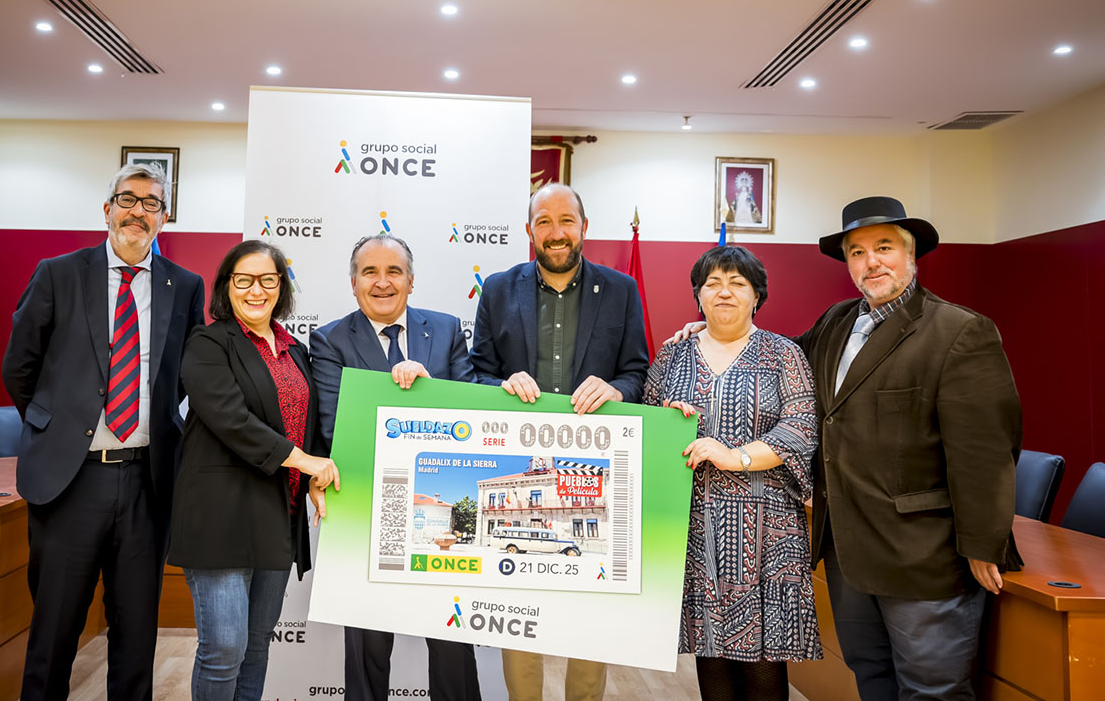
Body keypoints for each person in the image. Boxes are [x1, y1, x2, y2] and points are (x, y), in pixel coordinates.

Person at [798, 196, 1022, 700]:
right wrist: (716, 336)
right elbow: (780, 364)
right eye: (857, 252)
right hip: (847, 550)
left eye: (883, 247)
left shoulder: (959, 331)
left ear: (911, 254)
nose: (870, 261)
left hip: (923, 555)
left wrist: (986, 541)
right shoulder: (835, 322)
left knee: (932, 689)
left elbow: (986, 450)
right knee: (871, 677)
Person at [1, 164, 205, 701]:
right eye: (128, 199)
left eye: (151, 203)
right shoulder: (58, 273)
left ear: (164, 218)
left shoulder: (184, 287)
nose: (138, 211)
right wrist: (56, 430)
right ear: (107, 208)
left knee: (136, 638)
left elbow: (188, 375)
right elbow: (19, 367)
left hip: (146, 484)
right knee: (54, 636)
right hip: (70, 482)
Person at [469, 182, 649, 701]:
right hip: (515, 469)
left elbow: (638, 372)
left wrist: (615, 388)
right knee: (518, 608)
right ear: (528, 231)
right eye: (543, 221)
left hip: (594, 475)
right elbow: (478, 372)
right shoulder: (499, 289)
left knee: (589, 606)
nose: (555, 232)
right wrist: (500, 386)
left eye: (566, 220)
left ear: (584, 227)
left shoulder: (620, 290)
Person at [643, 245, 821, 701]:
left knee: (763, 661)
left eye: (737, 283)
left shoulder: (784, 354)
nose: (724, 292)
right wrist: (668, 418)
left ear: (757, 296)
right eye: (713, 284)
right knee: (711, 651)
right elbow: (644, 431)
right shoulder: (672, 356)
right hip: (696, 527)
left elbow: (801, 429)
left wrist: (734, 456)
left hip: (768, 532)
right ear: (698, 296)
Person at [310, 232, 481, 701]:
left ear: (411, 281)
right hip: (365, 509)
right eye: (370, 272)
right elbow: (335, 425)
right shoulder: (327, 340)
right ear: (352, 283)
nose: (382, 282)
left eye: (393, 272)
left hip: (437, 513)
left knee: (451, 641)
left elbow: (473, 416)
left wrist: (430, 391)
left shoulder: (446, 330)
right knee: (366, 644)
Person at [168, 240, 339, 701]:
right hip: (220, 517)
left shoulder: (295, 350)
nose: (256, 290)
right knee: (225, 647)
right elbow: (231, 419)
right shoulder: (207, 343)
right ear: (227, 286)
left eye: (268, 279)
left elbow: (304, 423)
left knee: (257, 647)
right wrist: (304, 461)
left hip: (276, 516)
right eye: (244, 280)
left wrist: (313, 481)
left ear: (281, 286)